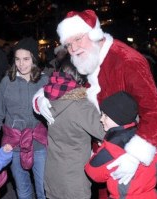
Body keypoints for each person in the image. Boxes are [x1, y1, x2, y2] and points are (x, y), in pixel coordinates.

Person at [33, 9, 157, 198]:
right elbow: (83, 89)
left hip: (126, 153)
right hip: (103, 152)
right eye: (68, 44)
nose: (73, 48)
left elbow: (155, 111)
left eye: (78, 39)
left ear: (94, 33)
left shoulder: (127, 60)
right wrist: (43, 95)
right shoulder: (91, 57)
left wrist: (135, 156)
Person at [84, 91, 157, 199]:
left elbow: (93, 172)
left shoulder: (112, 146)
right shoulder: (148, 140)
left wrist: (99, 149)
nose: (101, 119)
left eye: (105, 116)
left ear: (119, 118)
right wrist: (151, 124)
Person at [0, 37, 48, 199]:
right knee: (23, 190)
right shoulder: (6, 82)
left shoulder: (44, 81)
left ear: (34, 59)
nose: (21, 64)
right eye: (17, 59)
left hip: (39, 143)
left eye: (26, 59)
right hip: (13, 144)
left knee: (44, 188)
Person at [43, 64, 104, 199]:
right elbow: (104, 133)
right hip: (74, 179)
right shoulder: (81, 106)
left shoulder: (49, 99)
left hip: (52, 173)